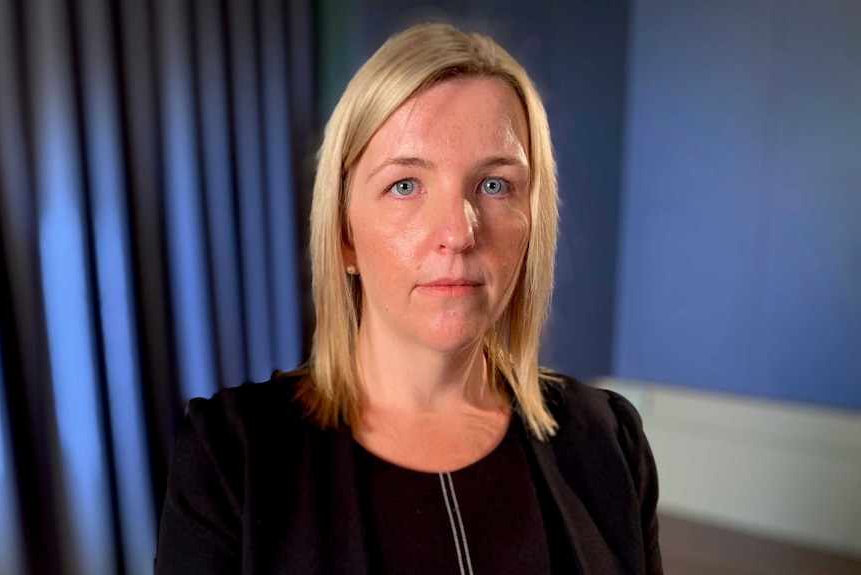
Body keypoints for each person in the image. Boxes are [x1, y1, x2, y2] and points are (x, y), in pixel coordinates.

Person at [155, 22, 662, 575]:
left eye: (494, 185)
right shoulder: (234, 458)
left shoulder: (609, 440)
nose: (459, 231)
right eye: (405, 185)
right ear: (344, 234)